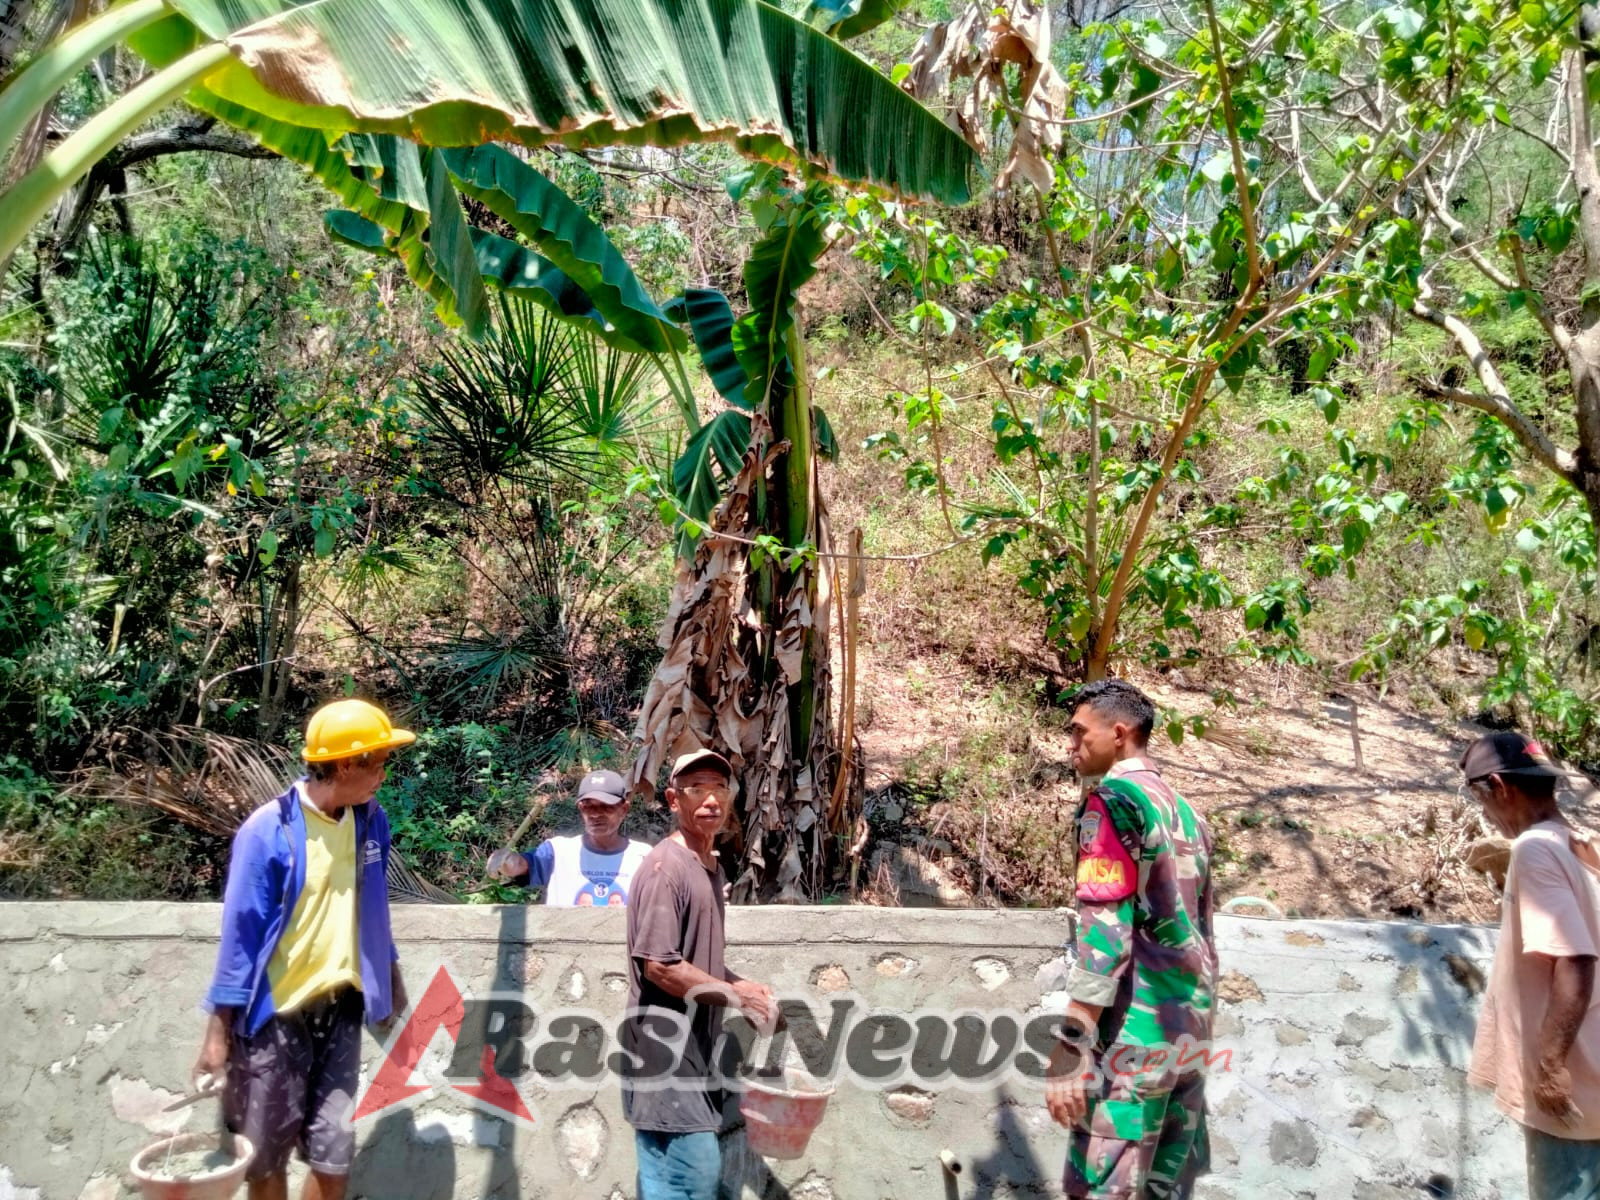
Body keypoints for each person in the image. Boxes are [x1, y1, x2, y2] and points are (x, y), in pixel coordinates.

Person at [192, 699, 413, 1200]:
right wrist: (217, 1033)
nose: (383, 774)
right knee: (265, 1159)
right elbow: (240, 936)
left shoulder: (368, 822)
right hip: (276, 1016)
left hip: (340, 1011)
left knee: (334, 1156)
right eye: (376, 763)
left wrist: (389, 978)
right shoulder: (267, 831)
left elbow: (372, 909)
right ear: (343, 764)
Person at [1046, 678, 1217, 1200]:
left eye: (1079, 732)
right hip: (1188, 1027)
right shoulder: (1186, 810)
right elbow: (1204, 926)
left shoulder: (1114, 802)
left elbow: (1106, 932)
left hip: (1134, 1033)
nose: (1070, 744)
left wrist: (1072, 1044)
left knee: (1100, 1190)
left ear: (1119, 734)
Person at [620, 748, 776, 1200]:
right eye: (696, 790)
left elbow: (695, 957)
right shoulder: (666, 868)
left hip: (693, 1054)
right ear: (673, 800)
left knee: (688, 1183)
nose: (711, 800)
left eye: (719, 789)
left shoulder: (711, 868)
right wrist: (735, 998)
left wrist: (738, 982)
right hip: (664, 1058)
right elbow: (661, 966)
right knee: (687, 1184)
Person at [1460, 731, 1600, 1200]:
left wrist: (1551, 1067)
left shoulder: (1535, 848)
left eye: (1479, 798)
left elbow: (1575, 958)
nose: (1484, 813)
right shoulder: (1583, 845)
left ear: (1499, 787)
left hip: (1575, 1087)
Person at [485, 769, 651, 906]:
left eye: (606, 807)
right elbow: (524, 865)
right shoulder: (559, 851)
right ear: (580, 808)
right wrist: (508, 861)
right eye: (588, 807)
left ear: (624, 809)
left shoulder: (643, 857)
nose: (595, 814)